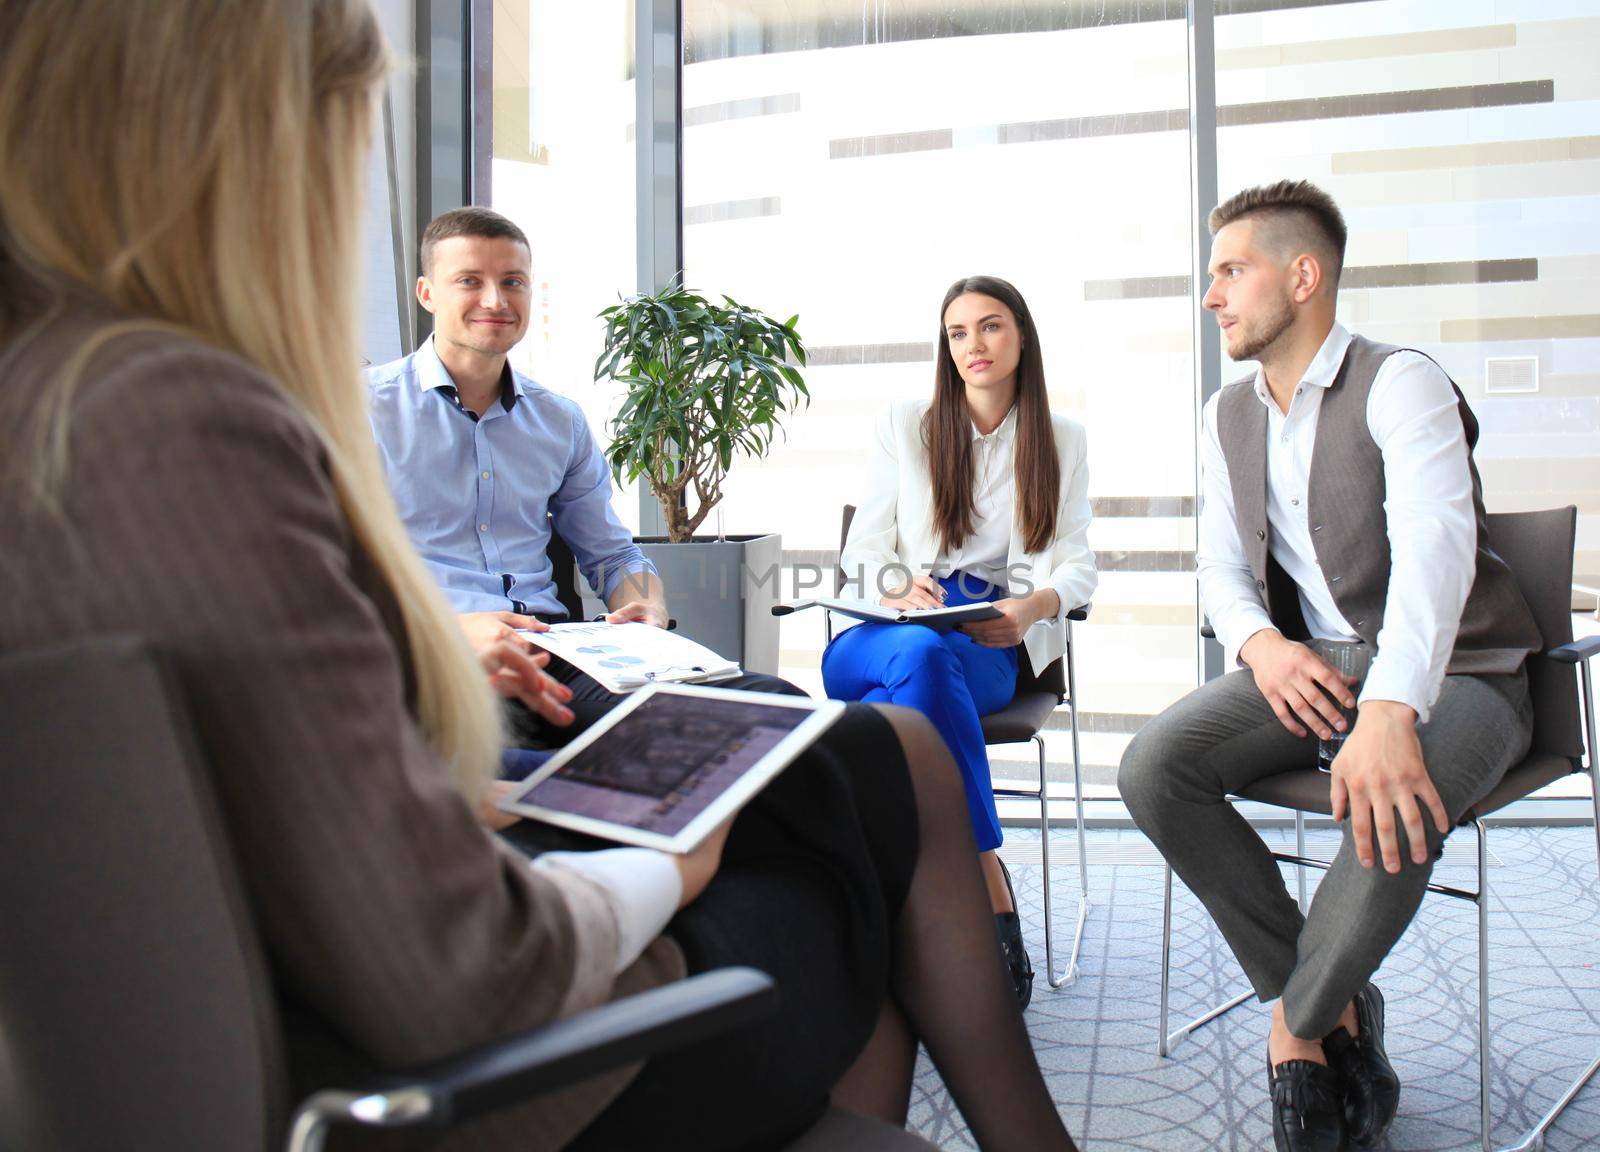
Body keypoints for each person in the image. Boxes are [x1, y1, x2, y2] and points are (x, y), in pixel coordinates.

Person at [0, 3, 1084, 1149]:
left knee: (839, 755)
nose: (493, 301)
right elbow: (462, 966)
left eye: (513, 281)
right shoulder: (189, 423)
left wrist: (626, 600)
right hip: (494, 1082)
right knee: (866, 822)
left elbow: (281, 768)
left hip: (444, 828)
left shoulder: (65, 407)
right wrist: (663, 871)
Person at [1117, 180, 1541, 1152]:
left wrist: (1391, 709)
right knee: (1152, 770)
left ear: (1301, 275)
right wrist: (1262, 645)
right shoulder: (1225, 415)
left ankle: (1296, 1025)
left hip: (1465, 667)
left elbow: (1437, 551)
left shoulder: (1400, 382)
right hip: (1315, 667)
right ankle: (1341, 1009)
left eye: (1231, 270)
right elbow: (1220, 571)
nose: (1210, 295)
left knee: (1394, 789)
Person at [365, 206, 797, 748]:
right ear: (428, 294)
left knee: (780, 712)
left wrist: (647, 605)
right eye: (470, 281)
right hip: (436, 657)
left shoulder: (557, 420)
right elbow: (322, 574)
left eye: (513, 282)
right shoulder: (361, 411)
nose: (496, 301)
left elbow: (615, 557)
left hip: (560, 651)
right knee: (527, 743)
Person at [825, 275, 1097, 1008]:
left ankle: (908, 907)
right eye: (958, 333)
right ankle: (984, 876)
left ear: (1021, 337)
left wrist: (1035, 604)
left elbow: (1077, 560)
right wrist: (892, 586)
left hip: (986, 636)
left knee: (917, 676)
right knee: (914, 654)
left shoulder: (1060, 439)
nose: (973, 345)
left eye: (991, 326)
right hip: (889, 625)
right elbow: (867, 546)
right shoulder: (908, 423)